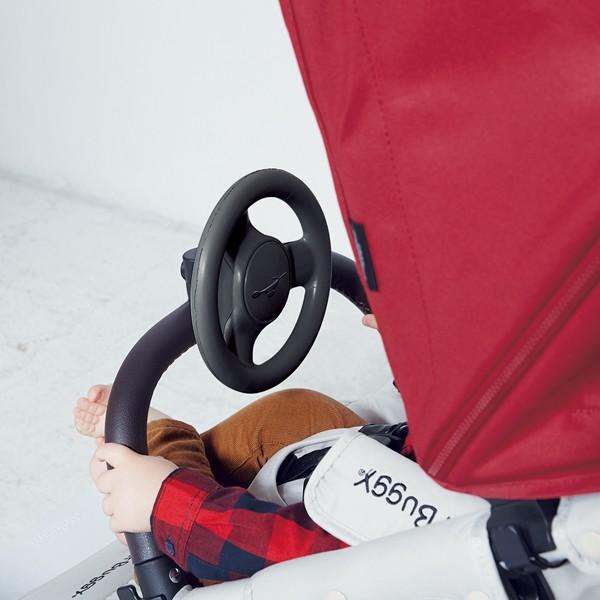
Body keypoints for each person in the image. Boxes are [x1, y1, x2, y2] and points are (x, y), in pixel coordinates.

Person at [75, 315, 401, 584]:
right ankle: (149, 466)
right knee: (296, 412)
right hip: (390, 453)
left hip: (343, 548)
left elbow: (306, 548)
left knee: (190, 560)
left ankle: (152, 469)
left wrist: (165, 504)